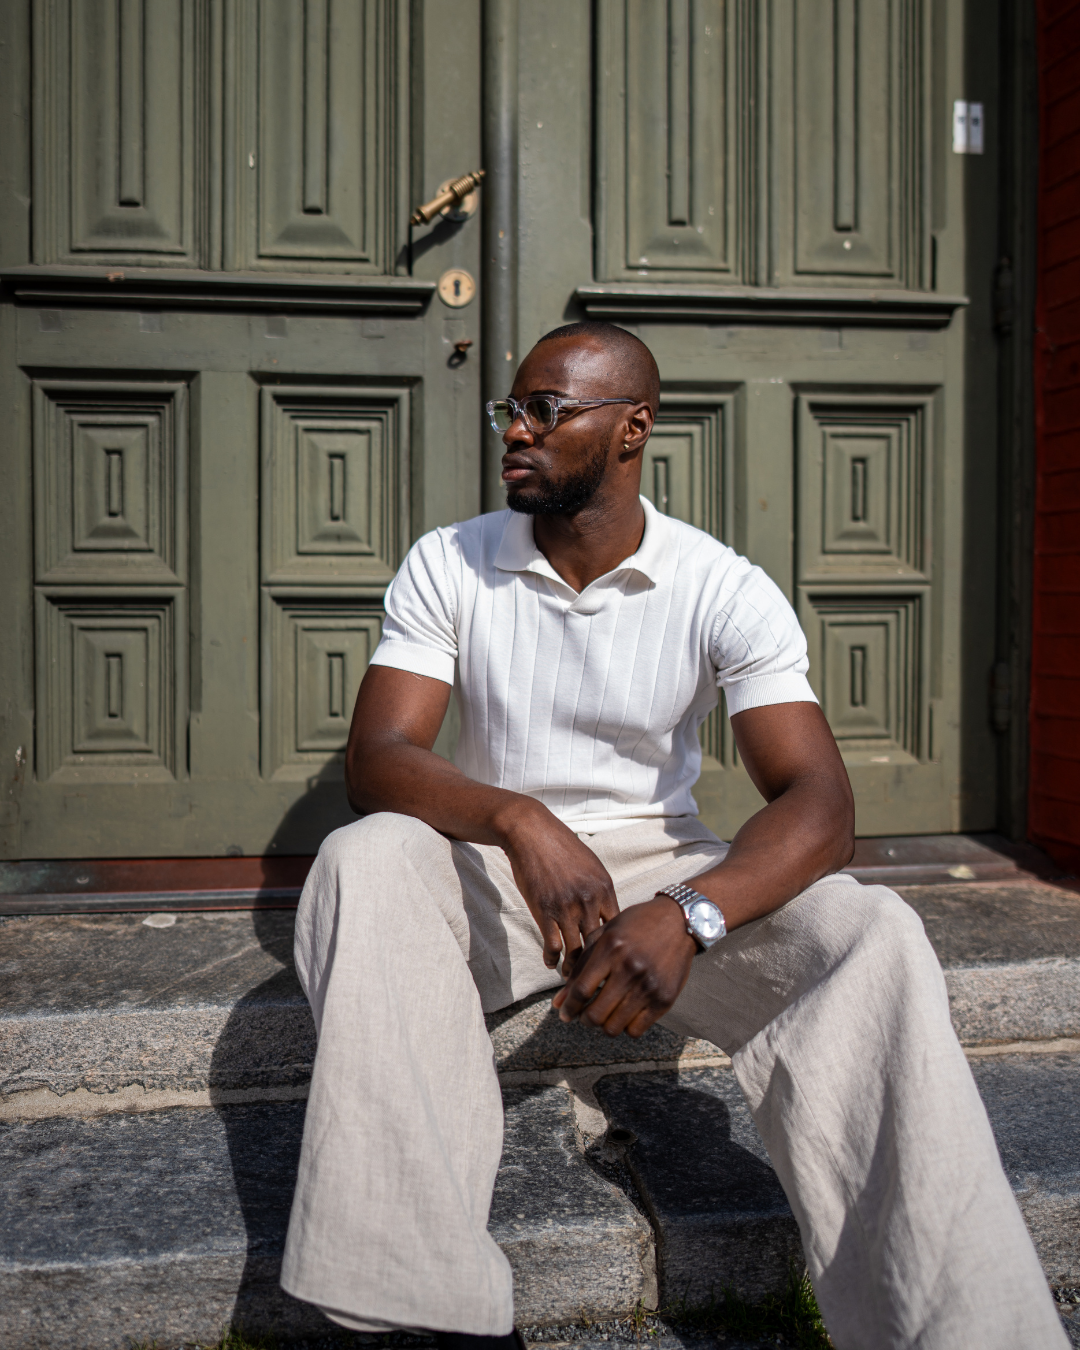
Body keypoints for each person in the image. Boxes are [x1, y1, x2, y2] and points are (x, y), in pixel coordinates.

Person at [280, 322, 1065, 1350]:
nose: (514, 431)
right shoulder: (451, 562)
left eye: (544, 411)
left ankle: (958, 1329)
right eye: (511, 409)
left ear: (633, 428)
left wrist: (689, 912)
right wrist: (519, 817)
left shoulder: (721, 584)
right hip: (498, 870)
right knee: (366, 856)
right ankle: (426, 1313)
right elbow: (379, 758)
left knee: (872, 933)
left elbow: (820, 805)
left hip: (664, 868)